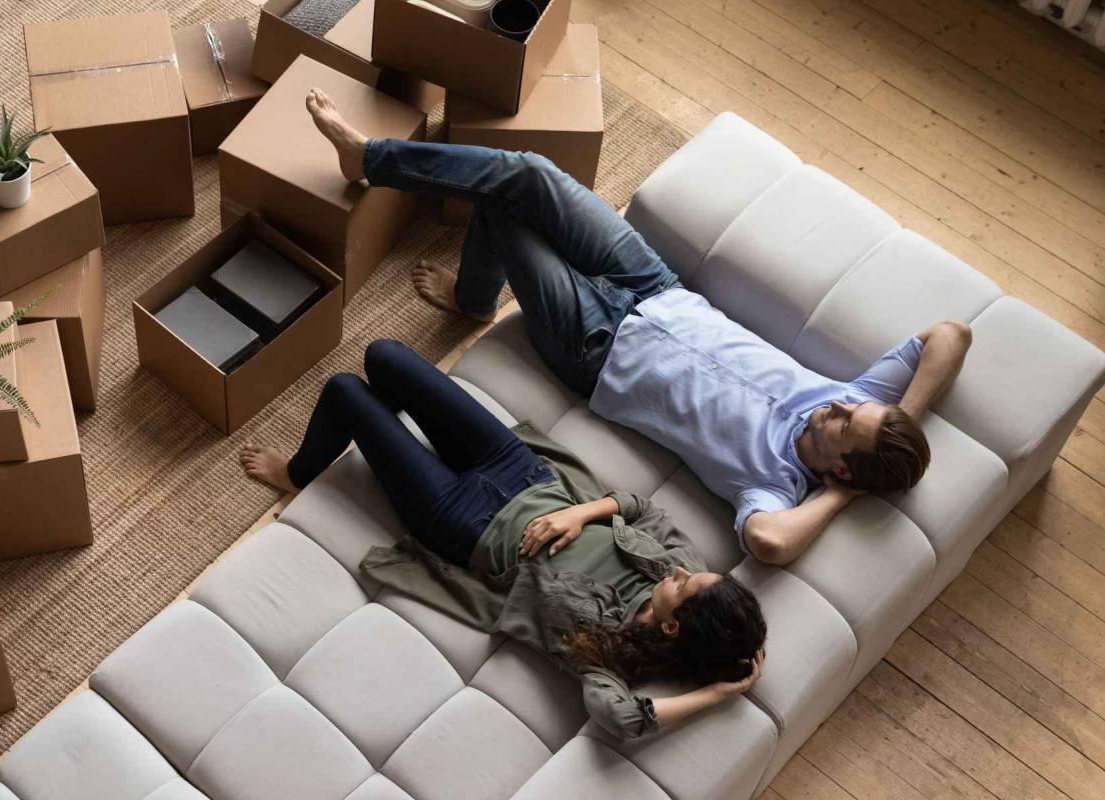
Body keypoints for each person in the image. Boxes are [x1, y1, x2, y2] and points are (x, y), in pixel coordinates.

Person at [297, 88, 974, 566]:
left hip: (595, 348)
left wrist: (838, 499)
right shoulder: (860, 403)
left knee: (502, 212)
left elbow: (768, 544)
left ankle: (476, 299)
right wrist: (897, 414)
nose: (836, 405)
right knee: (527, 175)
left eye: (840, 427)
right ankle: (370, 162)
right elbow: (951, 335)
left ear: (841, 470)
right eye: (851, 405)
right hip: (657, 288)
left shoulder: (772, 487)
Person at [238, 338, 767, 740]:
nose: (680, 570)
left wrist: (718, 694)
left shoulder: (610, 656)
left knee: (344, 391)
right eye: (691, 573)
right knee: (384, 356)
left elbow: (618, 716)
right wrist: (581, 513)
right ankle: (384, 429)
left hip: (463, 521)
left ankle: (300, 473)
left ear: (674, 625)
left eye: (684, 584)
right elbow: (639, 507)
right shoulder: (681, 564)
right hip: (523, 473)